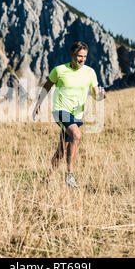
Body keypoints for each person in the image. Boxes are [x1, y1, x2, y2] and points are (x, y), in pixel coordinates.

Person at [33, 42, 106, 188]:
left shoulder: (90, 72)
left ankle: (49, 177)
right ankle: (70, 175)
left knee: (63, 148)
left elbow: (96, 94)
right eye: (79, 56)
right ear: (72, 55)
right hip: (60, 110)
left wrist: (102, 96)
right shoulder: (59, 70)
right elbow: (46, 87)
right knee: (77, 135)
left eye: (84, 56)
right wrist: (38, 104)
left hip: (76, 114)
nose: (82, 59)